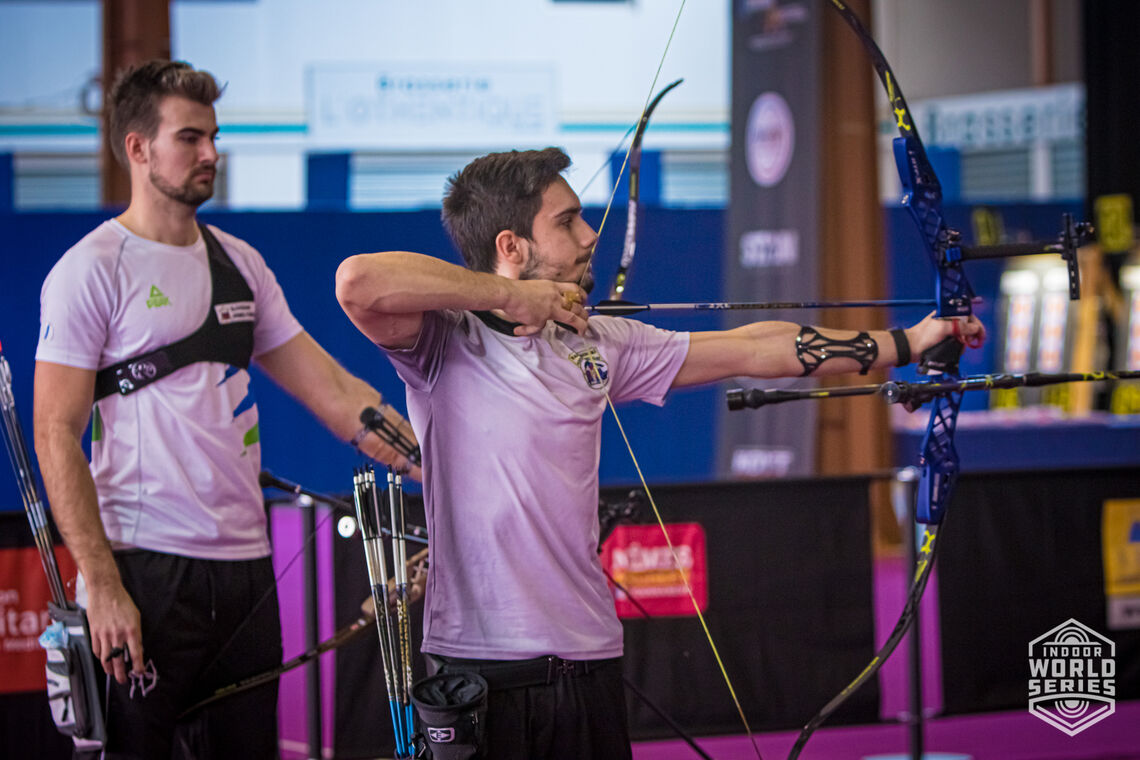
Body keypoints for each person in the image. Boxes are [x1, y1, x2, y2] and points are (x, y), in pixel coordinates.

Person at [334, 147, 985, 759]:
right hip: (476, 670)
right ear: (513, 246)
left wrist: (908, 340)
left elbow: (757, 348)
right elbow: (358, 280)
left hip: (587, 659)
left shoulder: (598, 341)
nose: (590, 236)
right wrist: (510, 296)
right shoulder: (445, 345)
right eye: (568, 221)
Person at [32, 59, 418, 759]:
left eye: (213, 136)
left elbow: (334, 392)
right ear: (138, 148)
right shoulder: (91, 270)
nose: (212, 153)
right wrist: (104, 583)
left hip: (245, 570)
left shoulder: (241, 262)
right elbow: (54, 432)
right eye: (190, 138)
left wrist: (438, 465)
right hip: (147, 568)